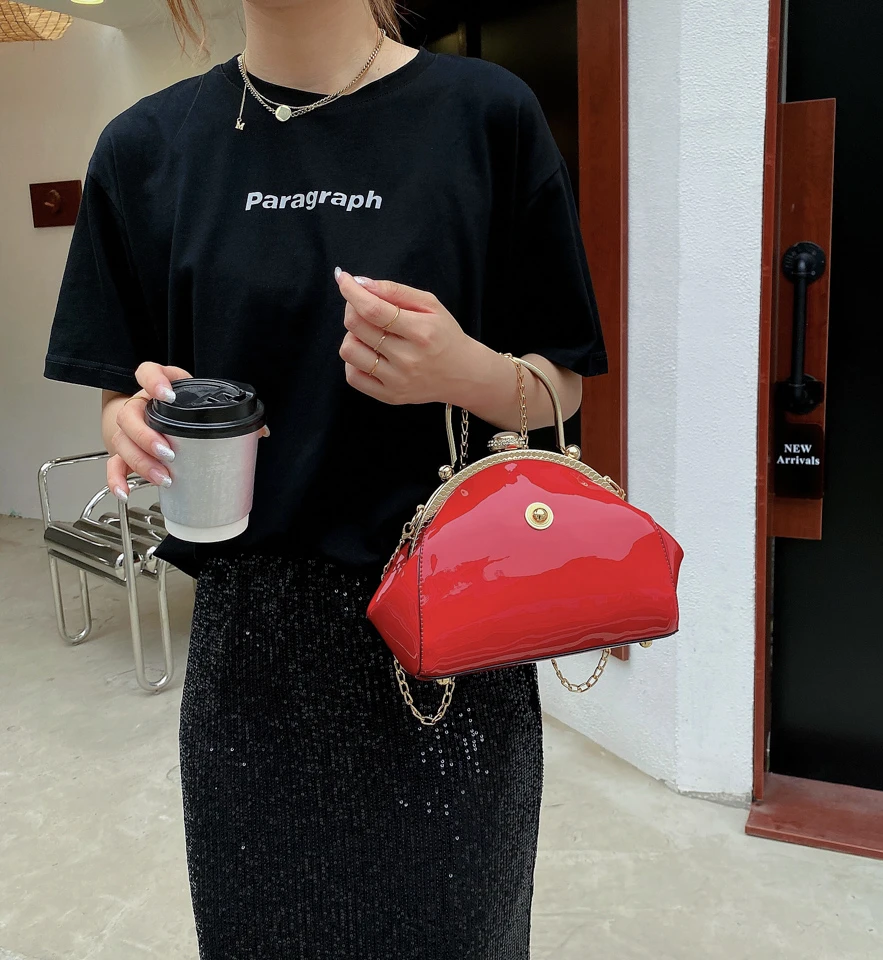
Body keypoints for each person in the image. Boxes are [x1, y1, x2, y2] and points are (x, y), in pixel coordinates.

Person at [44, 1, 607, 956]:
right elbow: (120, 388)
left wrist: (464, 370)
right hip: (250, 660)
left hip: (450, 642)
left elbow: (563, 386)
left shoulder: (486, 115)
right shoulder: (146, 148)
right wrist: (131, 422)